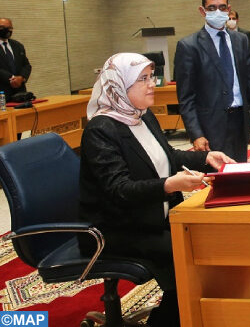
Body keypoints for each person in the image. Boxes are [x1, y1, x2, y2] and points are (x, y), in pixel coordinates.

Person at [79, 53, 235, 326]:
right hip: (116, 229)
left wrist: (206, 158)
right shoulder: (100, 130)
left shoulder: (143, 116)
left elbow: (167, 156)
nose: (152, 84)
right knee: (189, 252)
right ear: (119, 85)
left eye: (151, 77)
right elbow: (119, 190)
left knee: (208, 239)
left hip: (151, 217)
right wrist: (169, 185)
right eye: (143, 79)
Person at [174, 0, 250, 162]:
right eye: (212, 8)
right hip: (210, 126)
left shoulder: (241, 40)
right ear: (202, 11)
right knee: (217, 175)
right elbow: (186, 98)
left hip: (240, 122)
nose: (218, 12)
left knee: (239, 171)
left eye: (222, 7)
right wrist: (196, 134)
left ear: (228, 9)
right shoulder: (188, 46)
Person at [0, 18, 32, 98]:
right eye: (2, 27)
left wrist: (21, 78)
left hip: (20, 92)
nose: (7, 30)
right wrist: (12, 78)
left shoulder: (18, 45)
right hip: (2, 93)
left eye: (9, 28)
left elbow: (26, 65)